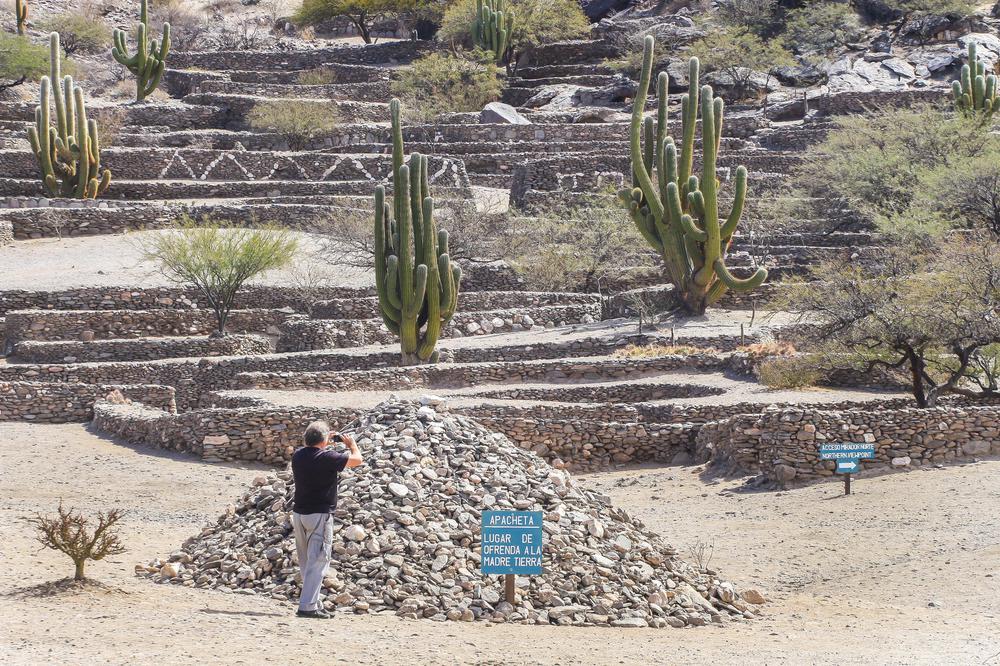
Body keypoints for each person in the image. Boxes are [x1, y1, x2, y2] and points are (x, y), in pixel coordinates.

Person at [291, 420, 363, 619]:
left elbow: (312, 449)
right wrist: (351, 445)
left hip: (299, 513)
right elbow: (357, 460)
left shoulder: (298, 456)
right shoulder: (328, 457)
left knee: (307, 561)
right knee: (319, 560)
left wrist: (324, 440)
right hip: (319, 514)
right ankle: (307, 607)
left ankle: (313, 602)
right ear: (323, 441)